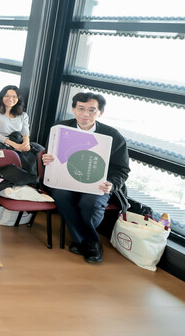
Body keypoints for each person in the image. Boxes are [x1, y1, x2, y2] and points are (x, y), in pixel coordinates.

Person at [44, 92, 130, 264]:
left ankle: (81, 241)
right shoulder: (61, 129)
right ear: (73, 109)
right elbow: (51, 156)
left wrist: (111, 184)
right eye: (81, 109)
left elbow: (122, 169)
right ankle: (90, 242)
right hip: (67, 181)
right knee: (60, 195)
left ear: (100, 113)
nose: (85, 114)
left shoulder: (112, 136)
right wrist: (46, 159)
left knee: (89, 202)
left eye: (92, 110)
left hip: (99, 184)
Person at [0, 85, 40, 175]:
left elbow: (25, 131)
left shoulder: (23, 115)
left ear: (18, 99)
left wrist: (26, 143)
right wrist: (15, 145)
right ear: (1, 97)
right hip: (1, 142)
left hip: (19, 140)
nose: (11, 99)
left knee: (39, 152)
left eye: (14, 96)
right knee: (19, 158)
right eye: (7, 96)